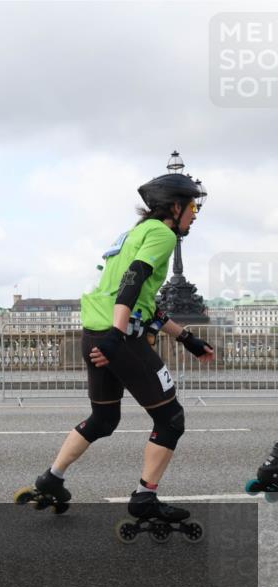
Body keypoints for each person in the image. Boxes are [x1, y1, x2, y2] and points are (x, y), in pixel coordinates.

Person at [21, 166, 215, 522]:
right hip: (118, 337)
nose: (195, 216)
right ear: (175, 207)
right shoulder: (162, 235)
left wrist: (186, 338)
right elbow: (133, 280)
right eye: (194, 208)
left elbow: (140, 299)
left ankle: (52, 478)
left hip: (96, 333)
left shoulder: (133, 233)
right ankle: (145, 497)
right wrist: (117, 336)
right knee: (171, 419)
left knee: (104, 417)